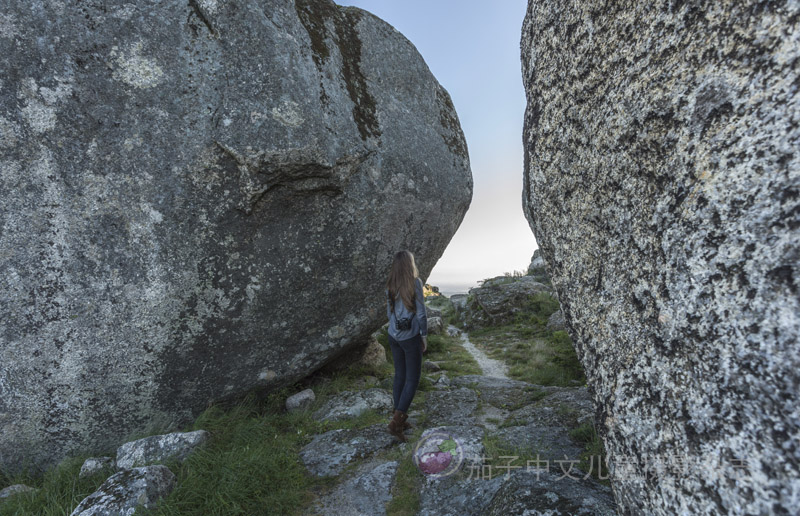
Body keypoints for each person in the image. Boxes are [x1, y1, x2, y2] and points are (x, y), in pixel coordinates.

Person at [385, 250, 428, 442]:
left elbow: (389, 313)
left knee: (400, 376)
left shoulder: (390, 284)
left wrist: (395, 331)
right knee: (412, 380)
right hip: (410, 338)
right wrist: (424, 336)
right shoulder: (415, 283)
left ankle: (399, 418)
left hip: (393, 336)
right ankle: (396, 424)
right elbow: (421, 314)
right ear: (409, 264)